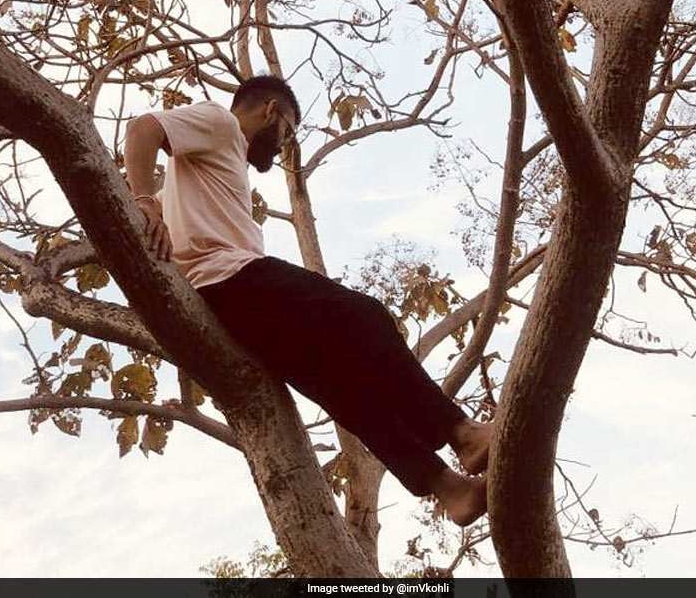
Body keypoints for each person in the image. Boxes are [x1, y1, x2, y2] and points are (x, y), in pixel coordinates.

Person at [124, 75, 491, 526]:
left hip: (232, 309)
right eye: (287, 133)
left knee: (347, 390)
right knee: (366, 316)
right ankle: (462, 433)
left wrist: (153, 208)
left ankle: (448, 488)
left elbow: (169, 208)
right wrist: (139, 201)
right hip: (232, 282)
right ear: (271, 111)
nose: (282, 148)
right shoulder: (220, 122)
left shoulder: (205, 171)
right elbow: (144, 127)